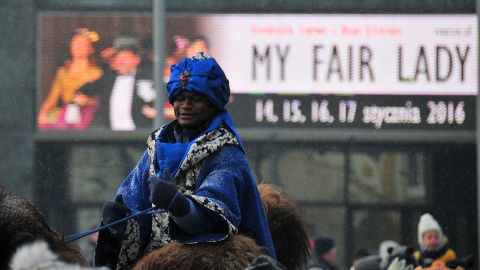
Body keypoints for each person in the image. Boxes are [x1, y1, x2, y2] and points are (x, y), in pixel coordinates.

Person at [94, 52, 276, 269]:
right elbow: (136, 213)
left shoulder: (227, 154)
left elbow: (218, 221)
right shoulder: (155, 149)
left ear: (213, 104)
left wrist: (179, 205)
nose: (185, 105)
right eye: (180, 98)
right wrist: (121, 225)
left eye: (196, 99)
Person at [37, 28, 103, 130]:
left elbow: (102, 101)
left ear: (90, 49)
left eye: (83, 43)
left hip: (87, 117)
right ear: (71, 46)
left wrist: (87, 101)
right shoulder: (62, 72)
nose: (78, 46)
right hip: (66, 114)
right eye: (75, 42)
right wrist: (43, 113)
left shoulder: (97, 73)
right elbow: (52, 99)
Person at [93, 34, 155, 130]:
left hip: (138, 136)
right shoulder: (108, 78)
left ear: (136, 60)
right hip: (112, 136)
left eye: (125, 57)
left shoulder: (145, 77)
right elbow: (88, 89)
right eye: (118, 58)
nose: (121, 62)